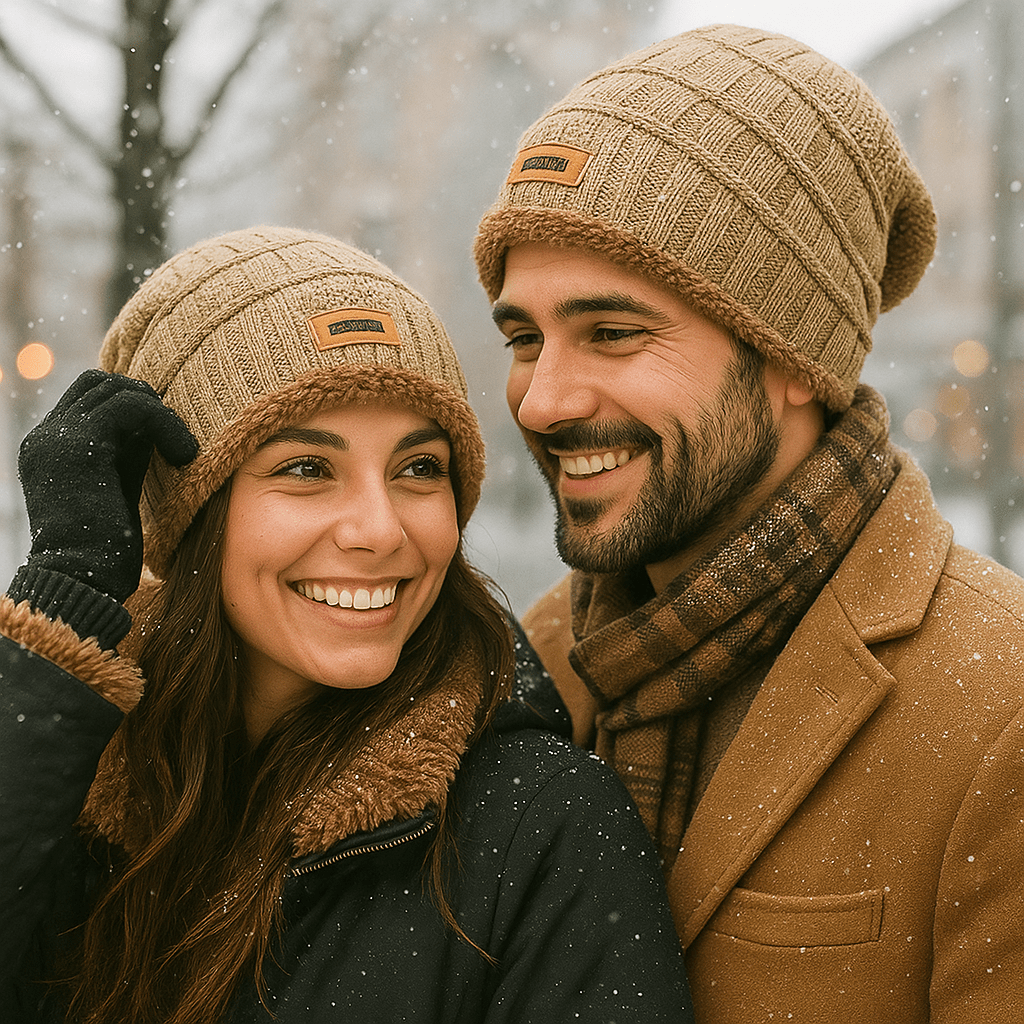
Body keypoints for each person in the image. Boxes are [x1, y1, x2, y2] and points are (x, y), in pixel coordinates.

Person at [0, 226, 694, 1024]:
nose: (380, 529)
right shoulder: (80, 788)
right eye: (306, 468)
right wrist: (66, 594)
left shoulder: (542, 826)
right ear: (193, 519)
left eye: (418, 469)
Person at [472, 22, 1024, 1024]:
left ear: (794, 361)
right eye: (524, 335)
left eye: (612, 332)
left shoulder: (998, 712)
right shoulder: (534, 664)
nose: (542, 399)